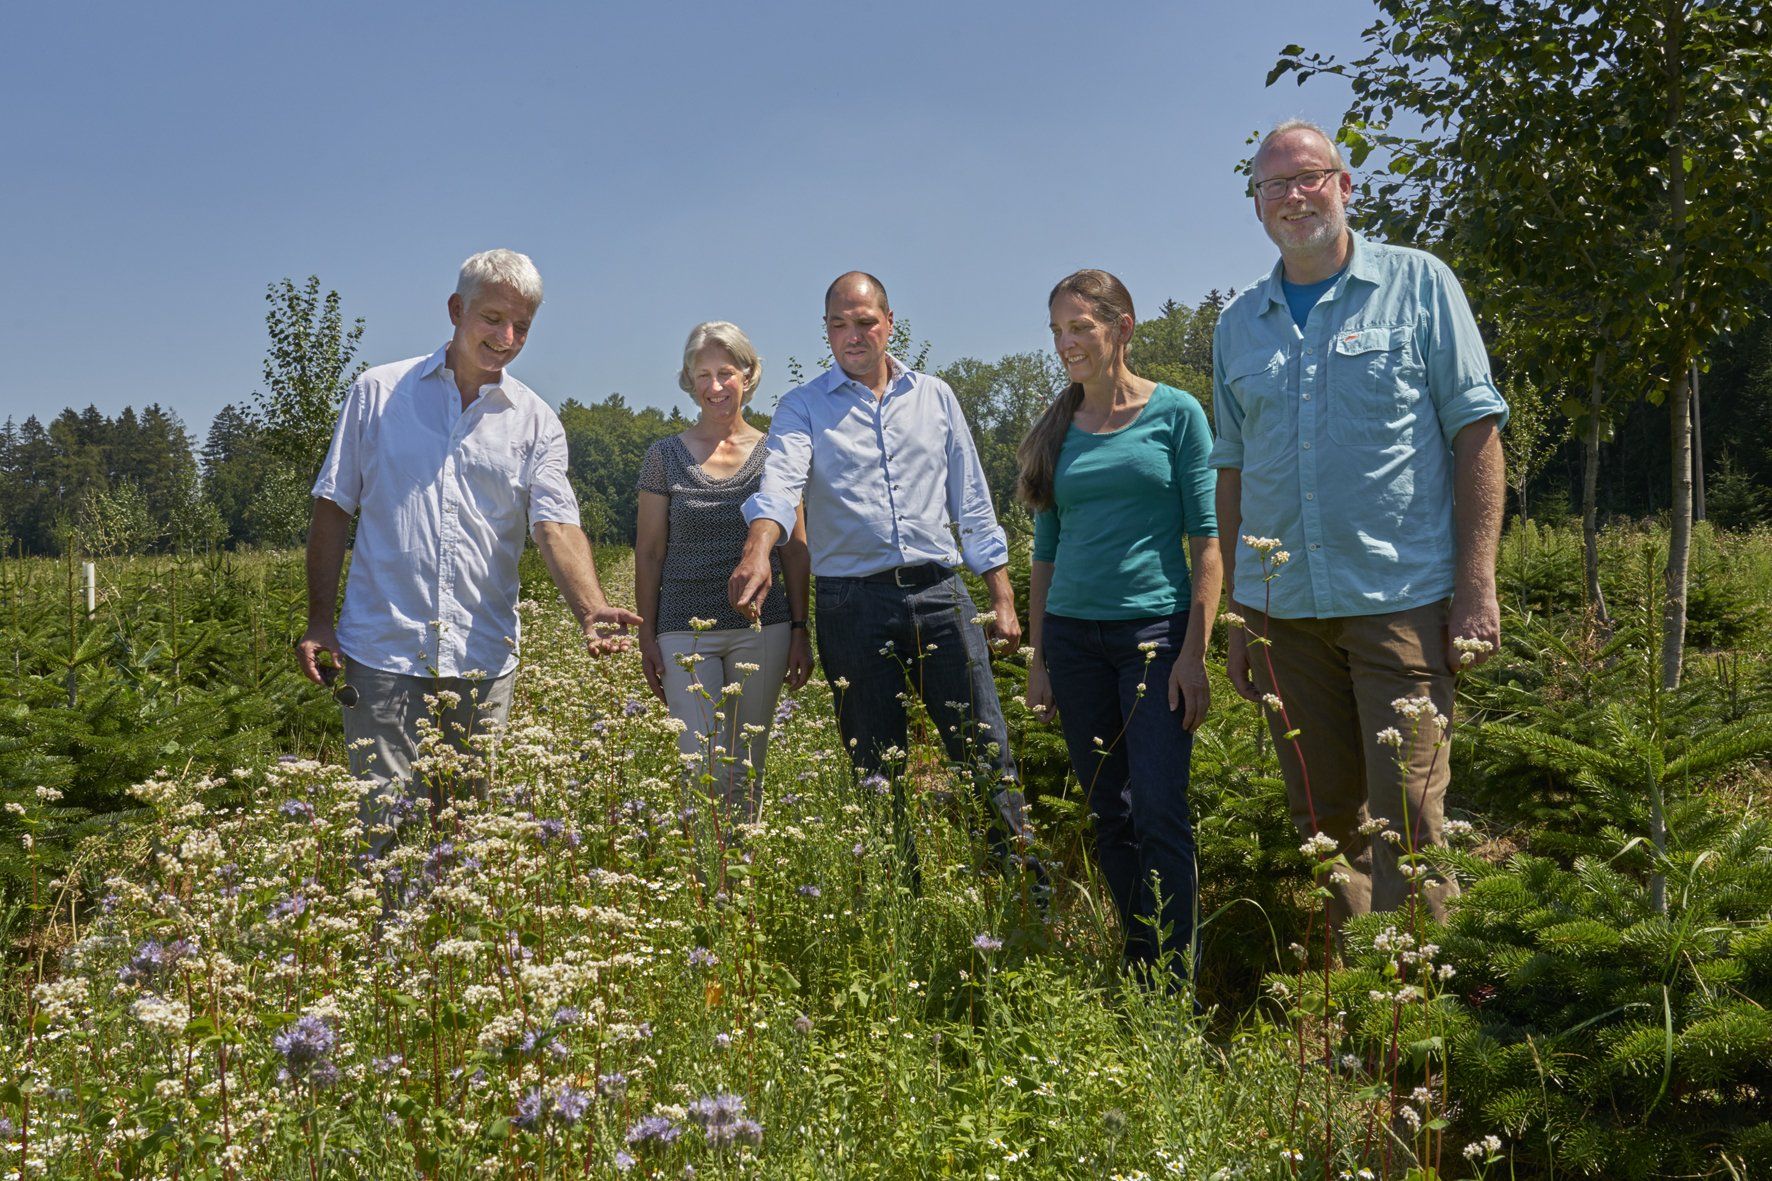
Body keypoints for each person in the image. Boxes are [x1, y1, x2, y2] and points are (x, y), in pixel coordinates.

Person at [1210, 120, 1508, 926]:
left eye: (1311, 176)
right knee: (1324, 824)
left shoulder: (1420, 284)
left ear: (1346, 186)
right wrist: (1241, 612)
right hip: (1285, 615)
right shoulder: (1238, 324)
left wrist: (1476, 585)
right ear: (1258, 206)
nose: (1294, 195)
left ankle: (1431, 1025)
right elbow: (1232, 469)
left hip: (1400, 601)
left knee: (1411, 817)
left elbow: (1475, 432)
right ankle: (1357, 1017)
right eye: (1274, 185)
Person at [297, 248, 642, 856]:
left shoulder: (536, 421)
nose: (506, 338)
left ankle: (449, 950)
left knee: (463, 834)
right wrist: (320, 620)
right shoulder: (379, 394)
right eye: (492, 318)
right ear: (456, 310)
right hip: (383, 653)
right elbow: (332, 510)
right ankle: (396, 949)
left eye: (522, 327)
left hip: (481, 660)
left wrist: (590, 607)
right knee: (387, 835)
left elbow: (556, 524)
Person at [729, 271, 1037, 879]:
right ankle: (903, 909)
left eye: (864, 321)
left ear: (889, 323)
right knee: (874, 769)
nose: (852, 335)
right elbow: (780, 484)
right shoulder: (802, 406)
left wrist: (1001, 595)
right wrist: (758, 548)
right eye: (838, 324)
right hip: (850, 604)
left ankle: (1028, 899)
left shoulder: (937, 397)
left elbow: (971, 502)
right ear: (825, 331)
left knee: (984, 750)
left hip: (940, 594)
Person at [1019, 269, 1221, 981]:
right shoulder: (1056, 429)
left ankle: (1174, 983)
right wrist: (1040, 659)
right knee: (1111, 810)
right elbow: (1045, 554)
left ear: (1122, 327)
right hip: (1074, 642)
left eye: (1080, 327)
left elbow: (1207, 542)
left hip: (1154, 638)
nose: (1066, 344)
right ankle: (1140, 970)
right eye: (1057, 332)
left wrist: (1193, 654)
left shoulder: (1177, 414)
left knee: (1160, 807)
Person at [635, 322, 813, 818]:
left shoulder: (778, 453)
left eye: (726, 373)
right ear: (689, 381)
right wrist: (647, 636)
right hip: (683, 630)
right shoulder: (663, 457)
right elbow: (648, 553)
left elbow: (795, 549)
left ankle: (742, 884)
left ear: (749, 375)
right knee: (701, 766)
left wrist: (801, 629)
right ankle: (705, 881)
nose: (715, 387)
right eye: (703, 375)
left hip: (763, 628)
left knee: (746, 766)